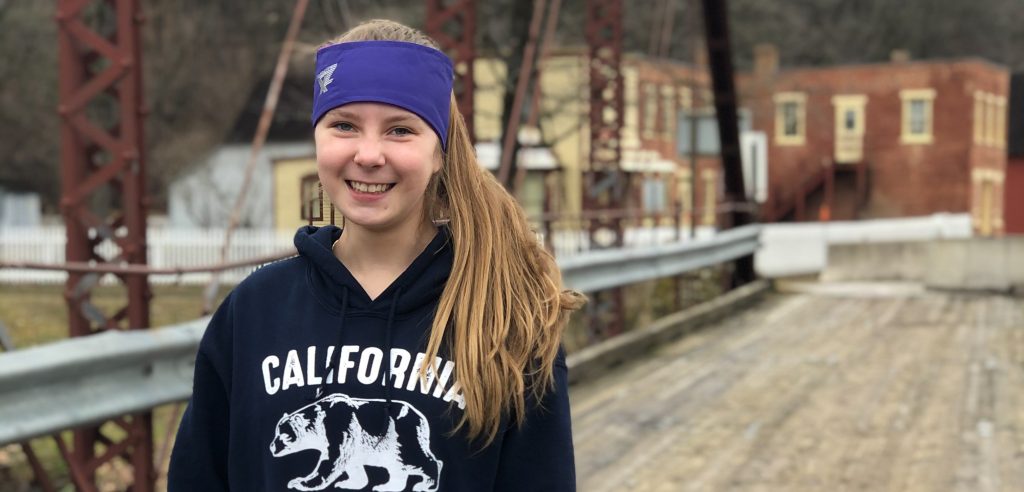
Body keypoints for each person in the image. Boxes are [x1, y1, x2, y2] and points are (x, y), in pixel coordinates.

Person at [168, 18, 585, 492]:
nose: (368, 154)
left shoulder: (508, 317)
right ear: (317, 139)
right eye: (344, 125)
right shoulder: (255, 309)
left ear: (440, 153)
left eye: (400, 130)